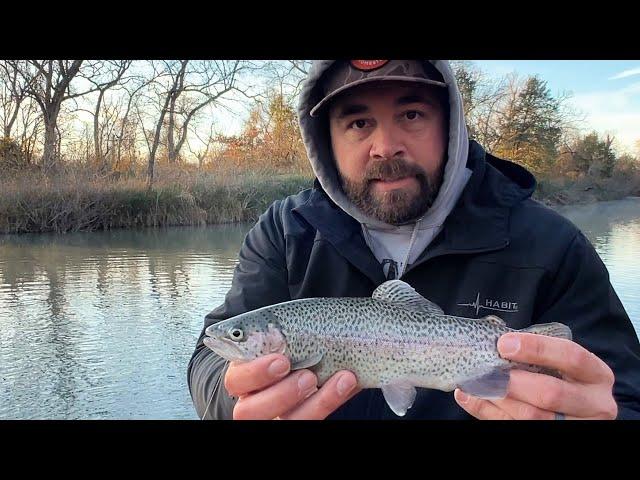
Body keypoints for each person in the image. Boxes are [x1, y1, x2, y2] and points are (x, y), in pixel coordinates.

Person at [187, 60, 640, 420]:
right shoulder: (283, 233)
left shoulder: (554, 245)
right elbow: (207, 364)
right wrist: (237, 405)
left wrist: (579, 415)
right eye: (359, 123)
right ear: (325, 142)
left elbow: (625, 396)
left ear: (451, 126)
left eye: (411, 114)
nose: (386, 145)